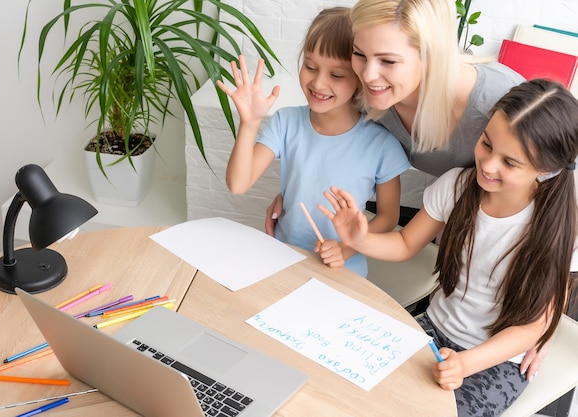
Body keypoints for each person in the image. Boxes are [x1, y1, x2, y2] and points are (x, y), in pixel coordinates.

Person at [262, 0, 550, 377]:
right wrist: (299, 187)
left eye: (388, 61)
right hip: (456, 235)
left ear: (430, 56)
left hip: (527, 258)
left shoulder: (497, 101)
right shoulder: (370, 93)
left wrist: (544, 324)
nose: (367, 74)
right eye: (359, 55)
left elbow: (560, 194)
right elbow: (335, 143)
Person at [318, 79, 578, 417]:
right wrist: (359, 239)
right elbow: (405, 242)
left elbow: (533, 326)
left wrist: (467, 363)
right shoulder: (458, 186)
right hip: (433, 328)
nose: (487, 165)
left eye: (510, 162)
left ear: (547, 169)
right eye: (486, 144)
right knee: (351, 393)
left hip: (495, 360)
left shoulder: (558, 227)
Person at [216, 7, 410, 277]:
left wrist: (347, 248)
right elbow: (238, 184)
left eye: (337, 75)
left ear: (360, 77)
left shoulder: (382, 144)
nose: (318, 82)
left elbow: (389, 217)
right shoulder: (286, 122)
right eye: (310, 66)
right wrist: (249, 124)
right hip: (283, 260)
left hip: (344, 270)